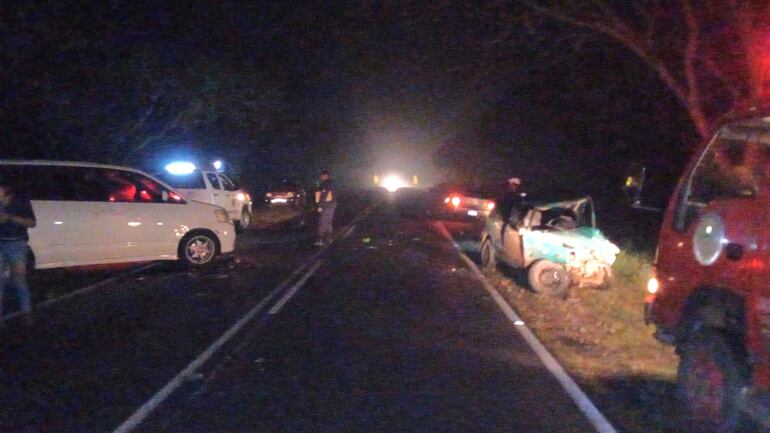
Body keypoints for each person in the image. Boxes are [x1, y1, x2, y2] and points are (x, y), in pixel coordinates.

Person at [0, 181, 37, 326]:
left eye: (2, 197)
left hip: (17, 243)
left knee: (19, 279)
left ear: (9, 196)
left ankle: (27, 312)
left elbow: (32, 223)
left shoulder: (21, 203)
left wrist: (10, 217)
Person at [314, 170, 336, 246]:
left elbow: (324, 195)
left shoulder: (325, 184)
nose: (321, 177)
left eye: (322, 176)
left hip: (326, 204)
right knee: (328, 221)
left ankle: (320, 239)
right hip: (332, 203)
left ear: (325, 176)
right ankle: (328, 238)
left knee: (322, 221)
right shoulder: (332, 183)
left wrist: (320, 205)